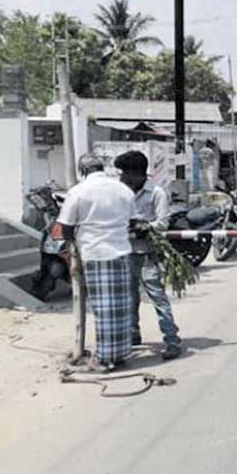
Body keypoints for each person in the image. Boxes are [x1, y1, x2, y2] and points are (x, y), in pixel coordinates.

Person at [56, 153, 136, 371]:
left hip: (95, 252)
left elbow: (65, 227)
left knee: (103, 308)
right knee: (120, 307)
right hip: (121, 250)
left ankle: (105, 358)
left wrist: (73, 242)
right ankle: (120, 353)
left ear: (83, 171)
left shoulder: (78, 191)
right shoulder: (123, 190)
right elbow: (133, 220)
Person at [115, 150, 183, 360]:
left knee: (157, 297)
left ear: (137, 174)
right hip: (125, 252)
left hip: (147, 254)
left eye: (125, 173)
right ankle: (133, 334)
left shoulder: (157, 193)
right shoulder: (120, 192)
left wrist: (144, 226)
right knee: (129, 297)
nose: (121, 178)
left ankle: (172, 339)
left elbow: (162, 223)